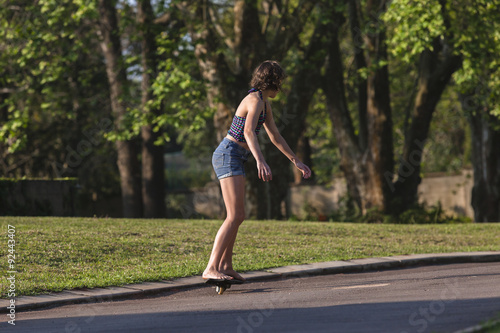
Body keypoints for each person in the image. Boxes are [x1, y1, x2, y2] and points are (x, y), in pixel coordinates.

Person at [202, 60, 312, 281]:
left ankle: (225, 265)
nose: (279, 88)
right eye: (278, 82)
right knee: (234, 215)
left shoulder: (264, 104)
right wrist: (260, 160)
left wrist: (295, 161)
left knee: (238, 215)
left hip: (236, 156)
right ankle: (211, 267)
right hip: (228, 154)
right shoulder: (253, 100)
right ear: (270, 82)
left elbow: (275, 136)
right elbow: (249, 132)